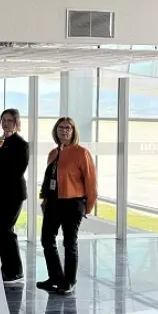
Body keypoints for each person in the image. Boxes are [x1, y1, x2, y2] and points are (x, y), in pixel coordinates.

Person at [37, 117, 97, 295]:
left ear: (73, 131)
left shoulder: (81, 153)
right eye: (61, 128)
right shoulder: (53, 153)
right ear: (56, 131)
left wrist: (87, 206)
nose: (64, 130)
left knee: (69, 242)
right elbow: (49, 180)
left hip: (73, 203)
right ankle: (55, 278)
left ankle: (69, 281)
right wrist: (45, 199)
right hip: (53, 202)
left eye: (68, 128)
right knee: (47, 239)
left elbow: (91, 182)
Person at [0, 109, 30, 284]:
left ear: (16, 123)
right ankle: (6, 268)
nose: (6, 123)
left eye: (10, 120)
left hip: (12, 195)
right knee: (0, 232)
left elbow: (16, 171)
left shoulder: (21, 144)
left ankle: (15, 271)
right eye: (4, 120)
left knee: (6, 230)